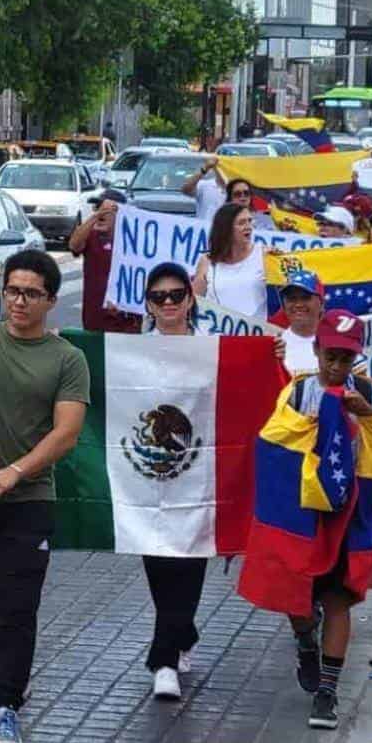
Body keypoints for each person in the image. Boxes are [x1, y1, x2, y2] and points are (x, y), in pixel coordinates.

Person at [0, 250, 90, 743]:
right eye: (12, 291)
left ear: (51, 300)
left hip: (30, 500)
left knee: (17, 606)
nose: (19, 302)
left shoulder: (66, 360)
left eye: (31, 293)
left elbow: (67, 433)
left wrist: (16, 471)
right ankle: (10, 675)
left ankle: (7, 703)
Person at [245, 310, 372, 731]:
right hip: (304, 516)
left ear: (357, 357)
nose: (337, 367)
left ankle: (328, 692)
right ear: (316, 350)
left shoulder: (371, 393)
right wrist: (313, 429)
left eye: (346, 358)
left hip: (350, 516)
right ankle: (304, 640)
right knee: (297, 597)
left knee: (339, 599)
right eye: (330, 356)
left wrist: (364, 415)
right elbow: (272, 439)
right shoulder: (297, 395)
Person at [133, 261, 211, 700]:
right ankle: (182, 630)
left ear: (190, 299)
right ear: (148, 303)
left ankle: (163, 659)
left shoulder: (209, 348)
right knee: (159, 562)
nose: (167, 304)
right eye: (158, 296)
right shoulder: (133, 350)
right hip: (147, 479)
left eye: (176, 295)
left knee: (189, 563)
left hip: (197, 478)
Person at [67, 189, 142, 333]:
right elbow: (74, 245)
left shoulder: (135, 242)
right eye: (96, 208)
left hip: (127, 321)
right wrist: (95, 216)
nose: (99, 212)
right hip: (95, 319)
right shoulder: (91, 236)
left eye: (105, 210)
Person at [193, 203, 267, 319]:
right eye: (242, 223)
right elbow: (195, 302)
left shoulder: (264, 254)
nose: (249, 226)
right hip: (217, 335)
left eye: (250, 221)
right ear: (225, 228)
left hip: (255, 334)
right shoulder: (207, 261)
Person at [279, 269, 326, 375]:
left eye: (305, 298)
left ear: (321, 303)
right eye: (292, 299)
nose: (298, 304)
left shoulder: (338, 342)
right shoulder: (276, 346)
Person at [180, 156, 226, 227]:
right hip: (205, 234)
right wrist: (205, 168)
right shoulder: (204, 185)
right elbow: (185, 189)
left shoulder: (240, 191)